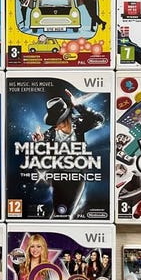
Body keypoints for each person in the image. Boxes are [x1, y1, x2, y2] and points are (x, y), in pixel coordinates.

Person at [32, 88, 104, 218]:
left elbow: (98, 119)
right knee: (58, 213)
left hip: (76, 178)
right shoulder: (50, 134)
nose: (54, 125)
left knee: (65, 214)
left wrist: (78, 105)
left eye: (56, 121)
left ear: (64, 117)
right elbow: (42, 159)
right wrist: (40, 143)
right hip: (58, 177)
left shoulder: (78, 124)